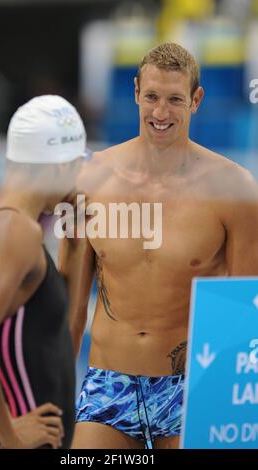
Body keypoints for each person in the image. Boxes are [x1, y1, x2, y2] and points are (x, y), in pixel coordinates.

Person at [59, 42, 258, 449]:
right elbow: (71, 308)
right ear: (135, 92)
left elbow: (244, 313)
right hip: (107, 384)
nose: (161, 113)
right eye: (151, 97)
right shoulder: (87, 182)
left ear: (196, 100)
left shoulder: (235, 190)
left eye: (174, 100)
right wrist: (53, 390)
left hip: (191, 389)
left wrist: (232, 411)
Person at [0, 95, 88, 449]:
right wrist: (10, 435)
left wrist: (74, 241)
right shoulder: (15, 231)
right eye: (77, 166)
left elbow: (53, 333)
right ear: (61, 166)